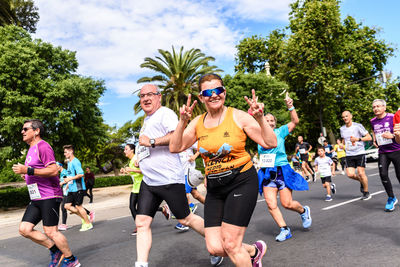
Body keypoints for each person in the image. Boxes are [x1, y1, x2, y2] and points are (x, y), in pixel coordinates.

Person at [170, 73, 277, 266]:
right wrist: (182, 122)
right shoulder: (197, 123)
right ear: (201, 97)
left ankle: (247, 256)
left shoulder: (239, 117)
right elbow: (175, 147)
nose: (213, 95)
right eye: (207, 92)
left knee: (231, 244)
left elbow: (270, 142)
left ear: (224, 93)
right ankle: (253, 251)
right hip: (215, 188)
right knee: (215, 248)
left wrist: (260, 119)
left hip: (242, 182)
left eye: (217, 90)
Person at [134, 84, 207, 267]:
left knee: (186, 219)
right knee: (142, 222)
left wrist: (151, 142)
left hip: (168, 180)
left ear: (159, 97)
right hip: (149, 181)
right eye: (142, 96)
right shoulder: (147, 120)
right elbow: (146, 145)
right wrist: (139, 156)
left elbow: (176, 136)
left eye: (150, 94)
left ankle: (224, 243)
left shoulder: (165, 113)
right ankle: (141, 264)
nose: (146, 98)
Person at [11, 119, 80, 267]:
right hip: (36, 197)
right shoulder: (31, 149)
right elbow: (38, 170)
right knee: (24, 229)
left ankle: (71, 259)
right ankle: (55, 250)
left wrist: (28, 170)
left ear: (36, 131)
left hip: (49, 195)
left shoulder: (43, 146)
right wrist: (27, 175)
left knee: (51, 232)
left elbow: (54, 170)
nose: (22, 132)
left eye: (25, 129)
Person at [257, 93, 311, 242]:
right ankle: (284, 229)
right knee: (270, 203)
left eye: (272, 120)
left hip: (282, 170)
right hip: (267, 172)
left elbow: (295, 121)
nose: (269, 122)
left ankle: (303, 210)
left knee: (286, 204)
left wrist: (290, 106)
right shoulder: (257, 134)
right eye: (266, 120)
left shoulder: (280, 131)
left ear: (275, 123)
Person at [120, 143, 171, 236]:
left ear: (132, 150)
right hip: (135, 186)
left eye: (126, 149)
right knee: (135, 207)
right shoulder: (131, 160)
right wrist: (125, 171)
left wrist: (132, 170)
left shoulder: (136, 159)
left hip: (142, 185)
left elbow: (144, 170)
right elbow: (134, 174)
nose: (124, 151)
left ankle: (140, 227)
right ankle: (162, 209)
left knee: (138, 207)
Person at [370, 99, 400, 211]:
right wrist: (374, 140)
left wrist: (392, 136)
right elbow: (374, 131)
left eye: (378, 106)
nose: (376, 108)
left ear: (384, 107)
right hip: (383, 152)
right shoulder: (372, 121)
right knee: (383, 174)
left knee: (399, 176)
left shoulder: (393, 117)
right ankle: (391, 198)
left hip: (397, 150)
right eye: (374, 107)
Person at [340, 111, 372, 200]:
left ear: (351, 116)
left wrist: (358, 139)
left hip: (360, 152)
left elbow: (369, 137)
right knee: (350, 175)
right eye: (343, 117)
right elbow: (344, 139)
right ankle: (362, 181)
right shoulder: (342, 129)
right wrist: (342, 145)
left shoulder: (358, 126)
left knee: (361, 173)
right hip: (349, 154)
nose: (345, 118)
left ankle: (366, 192)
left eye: (346, 116)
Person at [61, 145, 94, 231]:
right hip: (71, 188)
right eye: (64, 152)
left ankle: (88, 224)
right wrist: (67, 183)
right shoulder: (69, 162)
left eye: (66, 152)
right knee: (67, 206)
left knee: (78, 207)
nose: (64, 154)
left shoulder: (76, 161)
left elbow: (81, 174)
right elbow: (70, 175)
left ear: (71, 151)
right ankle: (85, 216)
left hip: (78, 188)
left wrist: (70, 179)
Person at [57, 162, 70, 231]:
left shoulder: (64, 172)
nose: (56, 168)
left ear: (60, 166)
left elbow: (69, 179)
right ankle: (88, 213)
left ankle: (64, 224)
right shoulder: (61, 173)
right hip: (64, 192)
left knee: (63, 207)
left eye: (57, 166)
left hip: (68, 192)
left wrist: (62, 183)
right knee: (74, 206)